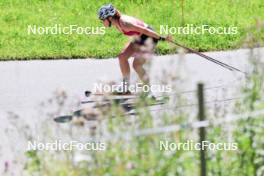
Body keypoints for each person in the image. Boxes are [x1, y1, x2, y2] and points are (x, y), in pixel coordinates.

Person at [98, 4, 172, 95]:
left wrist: (161, 38)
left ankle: (149, 92)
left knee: (137, 65)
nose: (102, 22)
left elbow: (145, 30)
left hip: (149, 37)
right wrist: (128, 49)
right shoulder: (117, 23)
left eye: (102, 19)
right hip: (139, 37)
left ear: (109, 17)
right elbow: (135, 33)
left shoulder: (125, 23)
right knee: (122, 57)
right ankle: (126, 87)